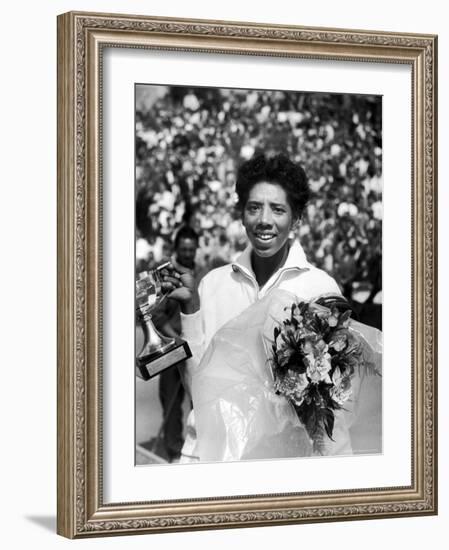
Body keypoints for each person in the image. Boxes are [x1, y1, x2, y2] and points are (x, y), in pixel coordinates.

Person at [163, 153, 381, 462]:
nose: (264, 220)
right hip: (213, 457)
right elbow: (197, 387)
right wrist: (191, 311)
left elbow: (336, 404)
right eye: (254, 207)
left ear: (297, 219)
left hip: (286, 465)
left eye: (278, 209)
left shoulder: (320, 287)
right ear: (242, 214)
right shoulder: (213, 285)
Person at [151, 226, 201, 461]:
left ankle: (198, 449)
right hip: (172, 346)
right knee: (171, 401)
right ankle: (173, 451)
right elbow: (156, 315)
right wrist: (176, 338)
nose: (188, 253)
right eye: (183, 249)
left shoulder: (202, 273)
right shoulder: (164, 273)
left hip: (197, 348)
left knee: (200, 401)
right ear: (176, 249)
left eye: (191, 249)